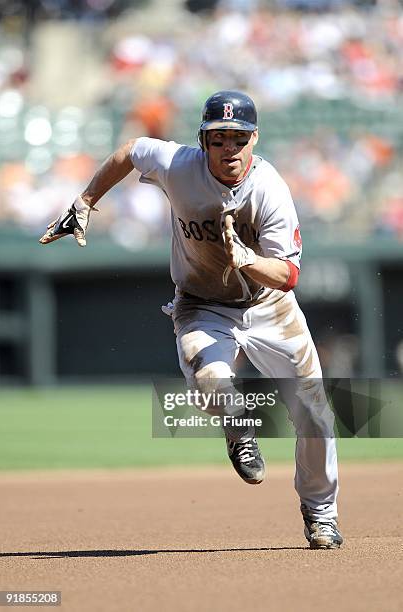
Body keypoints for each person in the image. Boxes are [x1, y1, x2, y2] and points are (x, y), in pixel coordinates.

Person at [40, 90, 343, 550]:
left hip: (269, 307)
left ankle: (320, 513)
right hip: (202, 304)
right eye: (218, 138)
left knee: (315, 413)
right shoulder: (180, 166)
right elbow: (131, 151)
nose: (229, 149)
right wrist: (85, 200)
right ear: (203, 140)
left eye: (238, 138)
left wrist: (245, 259)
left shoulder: (270, 188)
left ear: (254, 139)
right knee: (212, 383)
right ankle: (237, 426)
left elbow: (289, 274)